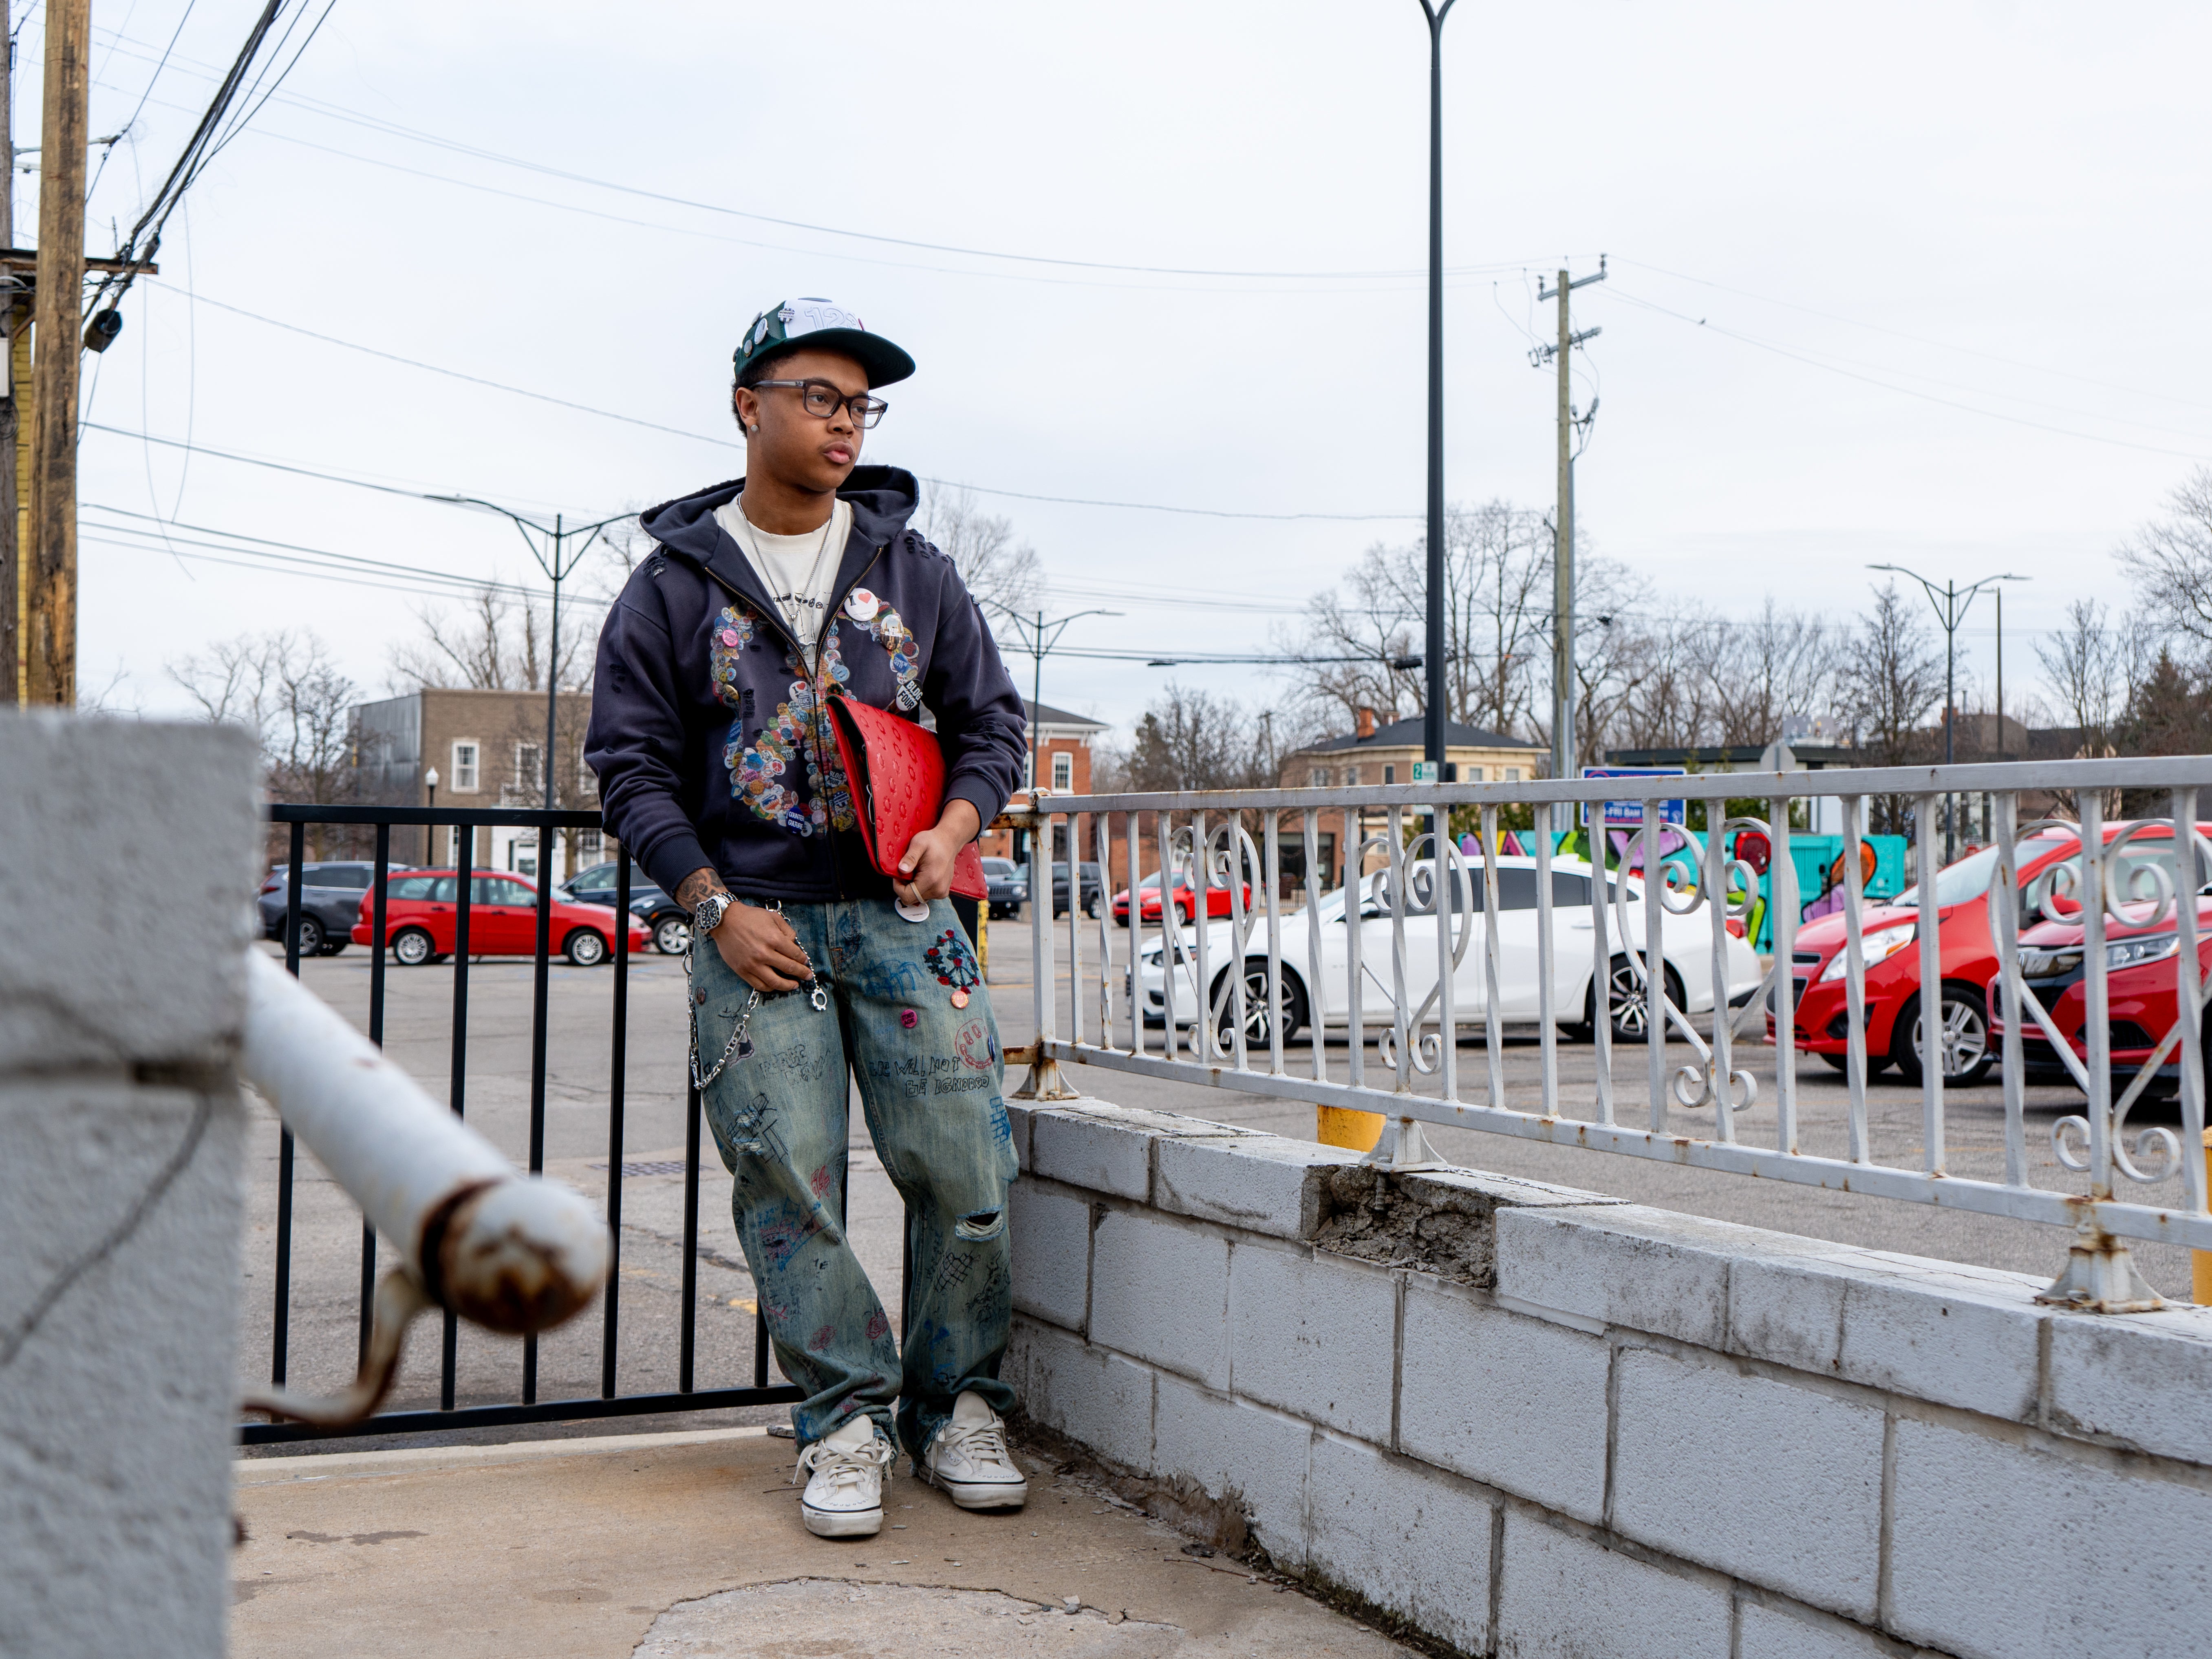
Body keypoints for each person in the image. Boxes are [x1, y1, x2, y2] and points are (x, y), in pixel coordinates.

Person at [585, 298, 1030, 1540]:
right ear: (749, 407)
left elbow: (991, 724)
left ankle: (955, 1407)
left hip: (902, 913)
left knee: (967, 1166)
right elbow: (627, 767)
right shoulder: (672, 587)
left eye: (862, 404)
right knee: (786, 1182)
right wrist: (710, 906)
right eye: (821, 397)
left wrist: (954, 829)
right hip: (756, 928)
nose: (845, 422)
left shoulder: (912, 571)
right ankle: (843, 1417)